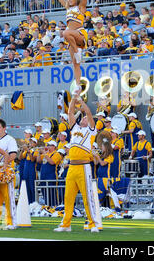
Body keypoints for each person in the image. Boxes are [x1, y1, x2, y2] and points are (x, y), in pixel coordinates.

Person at [54, 95, 99, 233]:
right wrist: (73, 98)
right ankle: (66, 224)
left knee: (87, 196)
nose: (84, 118)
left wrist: (82, 101)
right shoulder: (74, 129)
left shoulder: (91, 130)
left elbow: (90, 113)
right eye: (83, 117)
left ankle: (93, 223)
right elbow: (70, 113)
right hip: (72, 166)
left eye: (85, 118)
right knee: (68, 197)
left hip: (84, 167)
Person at [50, 0, 92, 97]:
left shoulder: (81, 7)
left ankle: (77, 51)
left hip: (79, 34)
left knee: (65, 32)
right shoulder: (67, 8)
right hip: (71, 39)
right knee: (75, 64)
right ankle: (78, 85)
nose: (69, 0)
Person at [0, 119, 19, 230]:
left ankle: (11, 222)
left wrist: (1, 164)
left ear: (4, 128)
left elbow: (13, 155)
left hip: (6, 171)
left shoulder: (10, 140)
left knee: (8, 198)